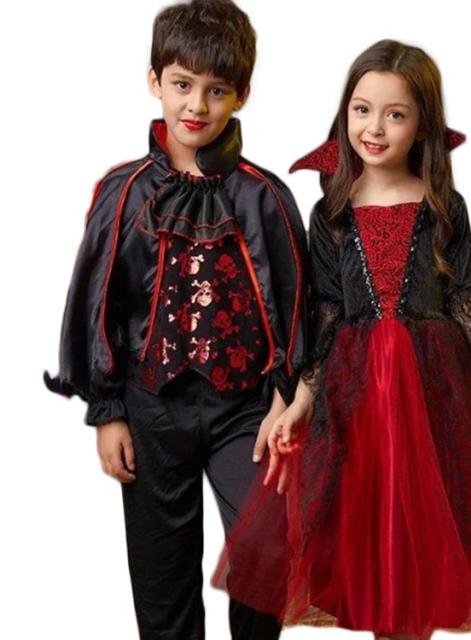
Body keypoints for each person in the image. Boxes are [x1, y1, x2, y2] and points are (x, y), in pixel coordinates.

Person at [211, 39, 471, 640]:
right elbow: (325, 317)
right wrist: (299, 403)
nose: (374, 128)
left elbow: (466, 305)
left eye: (395, 114)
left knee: (425, 549)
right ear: (345, 112)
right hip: (354, 406)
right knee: (370, 552)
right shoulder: (330, 212)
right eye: (362, 110)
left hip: (434, 400)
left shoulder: (444, 206)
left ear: (422, 125)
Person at [43, 1, 308, 638]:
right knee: (162, 582)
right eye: (183, 84)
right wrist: (107, 411)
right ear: (154, 80)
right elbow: (97, 303)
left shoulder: (264, 194)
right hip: (151, 406)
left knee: (268, 552)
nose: (196, 105)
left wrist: (286, 396)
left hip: (247, 409)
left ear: (241, 95)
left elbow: (299, 302)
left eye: (216, 90)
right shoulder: (124, 190)